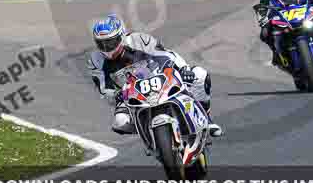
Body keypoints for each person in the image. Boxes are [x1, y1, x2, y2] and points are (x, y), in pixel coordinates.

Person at [87, 14, 223, 137]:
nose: (107, 48)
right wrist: (115, 95)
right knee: (120, 122)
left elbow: (166, 54)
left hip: (159, 79)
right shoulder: (96, 60)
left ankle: (207, 119)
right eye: (101, 43)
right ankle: (149, 134)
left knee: (199, 75)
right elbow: (103, 89)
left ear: (121, 35)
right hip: (129, 94)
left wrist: (183, 69)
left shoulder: (139, 40)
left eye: (110, 42)